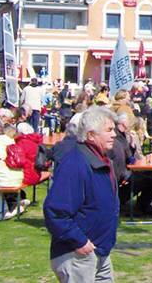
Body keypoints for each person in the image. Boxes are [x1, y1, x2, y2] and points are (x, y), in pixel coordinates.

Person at [44, 106, 119, 281]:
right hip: (77, 253)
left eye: (113, 129)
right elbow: (56, 211)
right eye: (109, 130)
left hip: (99, 249)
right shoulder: (75, 163)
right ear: (91, 135)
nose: (114, 134)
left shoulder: (101, 160)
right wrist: (79, 241)